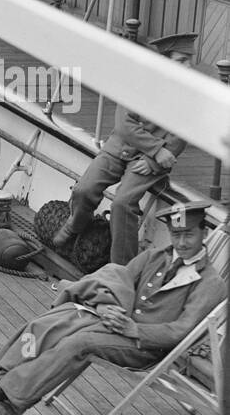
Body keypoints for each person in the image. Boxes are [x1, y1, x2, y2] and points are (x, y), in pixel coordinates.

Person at [0, 202, 225, 415]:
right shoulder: (155, 257)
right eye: (176, 234)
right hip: (113, 322)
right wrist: (107, 306)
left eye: (188, 234)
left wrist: (134, 329)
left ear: (204, 233)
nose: (181, 243)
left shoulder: (211, 284)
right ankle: (4, 410)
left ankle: (2, 399)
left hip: (144, 346)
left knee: (78, 344)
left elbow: (180, 332)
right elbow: (118, 280)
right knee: (52, 324)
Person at [51, 33, 198, 265]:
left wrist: (155, 158)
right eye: (182, 60)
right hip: (120, 147)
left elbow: (180, 137)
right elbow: (124, 124)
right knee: (84, 189)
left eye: (190, 59)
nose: (189, 66)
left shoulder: (189, 95)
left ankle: (122, 269)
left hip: (149, 160)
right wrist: (157, 148)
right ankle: (76, 224)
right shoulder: (138, 81)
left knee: (122, 204)